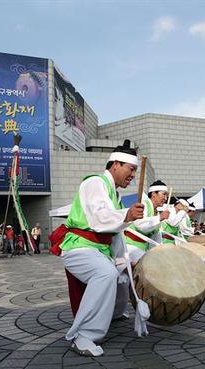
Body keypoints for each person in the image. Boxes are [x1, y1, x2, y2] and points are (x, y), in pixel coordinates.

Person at [51, 139, 144, 357]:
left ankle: (112, 314)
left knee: (120, 274)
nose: (133, 175)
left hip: (97, 250)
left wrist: (124, 260)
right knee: (106, 273)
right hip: (79, 248)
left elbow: (115, 234)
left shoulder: (115, 194)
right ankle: (83, 336)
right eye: (131, 169)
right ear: (116, 165)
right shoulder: (95, 183)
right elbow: (99, 217)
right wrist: (127, 214)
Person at [124, 180, 170, 263]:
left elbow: (156, 236)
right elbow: (140, 225)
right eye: (164, 194)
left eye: (166, 195)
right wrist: (160, 218)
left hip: (143, 248)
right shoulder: (143, 205)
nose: (165, 198)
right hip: (130, 246)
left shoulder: (156, 212)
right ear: (153, 194)